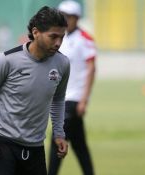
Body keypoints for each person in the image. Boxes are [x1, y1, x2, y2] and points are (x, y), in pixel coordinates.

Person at [0, 6, 70, 175]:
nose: (58, 43)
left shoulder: (62, 64)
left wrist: (59, 133)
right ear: (36, 32)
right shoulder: (7, 60)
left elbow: (58, 99)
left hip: (35, 147)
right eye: (53, 36)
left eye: (61, 37)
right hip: (3, 145)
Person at [48, 1, 96, 175]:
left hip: (73, 99)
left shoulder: (85, 39)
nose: (64, 20)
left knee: (57, 140)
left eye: (67, 16)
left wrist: (84, 99)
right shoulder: (60, 38)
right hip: (60, 98)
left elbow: (91, 68)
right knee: (79, 144)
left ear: (76, 18)